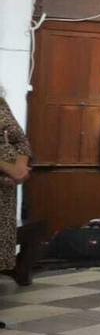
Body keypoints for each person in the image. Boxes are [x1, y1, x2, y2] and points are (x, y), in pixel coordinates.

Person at [0, 88, 32, 275]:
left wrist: (20, 167)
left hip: (5, 186)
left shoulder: (1, 104)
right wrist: (7, 168)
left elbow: (20, 140)